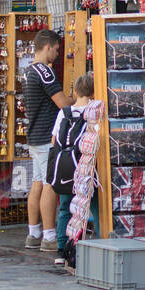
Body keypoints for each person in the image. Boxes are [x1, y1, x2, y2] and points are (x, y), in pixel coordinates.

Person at [49, 73, 100, 266]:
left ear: (76, 91)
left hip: (66, 167)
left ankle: (62, 250)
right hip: (87, 167)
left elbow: (55, 141)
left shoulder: (64, 112)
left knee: (65, 207)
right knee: (94, 204)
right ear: (94, 92)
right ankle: (101, 242)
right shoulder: (94, 111)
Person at [25, 30, 68, 252]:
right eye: (57, 49)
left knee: (38, 183)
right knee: (50, 185)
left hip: (35, 135)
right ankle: (49, 236)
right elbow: (62, 103)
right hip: (46, 137)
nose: (58, 54)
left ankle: (33, 233)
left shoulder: (29, 70)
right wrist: (79, 99)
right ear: (48, 47)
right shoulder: (45, 72)